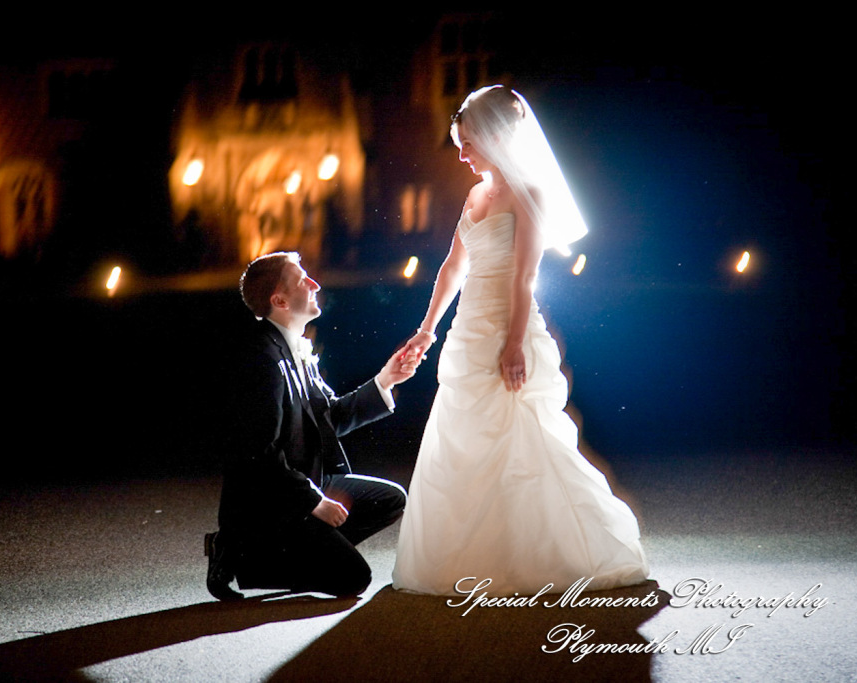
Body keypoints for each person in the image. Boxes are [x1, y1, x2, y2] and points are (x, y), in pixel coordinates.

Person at [392, 85, 649, 596]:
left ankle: (552, 554)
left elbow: (525, 276)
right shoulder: (475, 194)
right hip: (467, 330)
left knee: (525, 439)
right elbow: (452, 266)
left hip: (508, 328)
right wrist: (426, 329)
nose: (461, 153)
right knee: (462, 439)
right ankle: (472, 555)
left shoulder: (530, 191)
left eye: (468, 142)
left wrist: (512, 344)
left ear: (492, 137)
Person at [206, 251, 418, 600]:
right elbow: (258, 454)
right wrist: (313, 502)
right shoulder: (262, 359)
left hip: (305, 482)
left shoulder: (293, 346)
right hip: (269, 502)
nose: (315, 283)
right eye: (303, 279)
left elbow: (329, 419)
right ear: (279, 300)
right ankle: (240, 555)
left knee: (390, 499)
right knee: (352, 579)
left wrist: (385, 380)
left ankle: (305, 552)